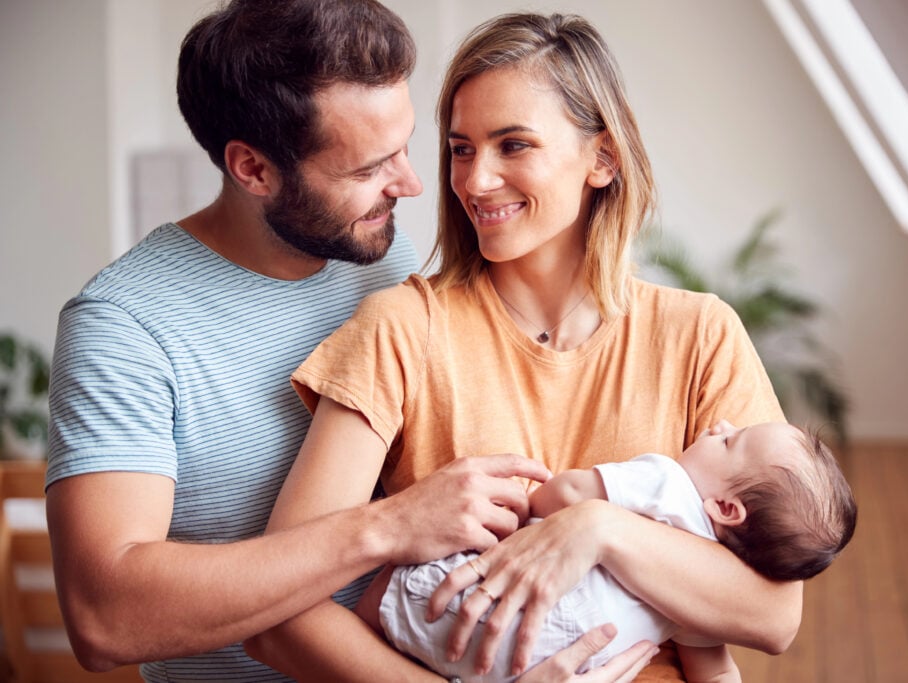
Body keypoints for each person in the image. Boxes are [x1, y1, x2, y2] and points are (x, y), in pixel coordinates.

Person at [45, 2, 648, 682]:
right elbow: (104, 616)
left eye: (407, 147)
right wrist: (388, 525)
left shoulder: (387, 265)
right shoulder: (124, 325)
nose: (413, 184)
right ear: (254, 169)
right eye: (368, 169)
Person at [247, 11, 804, 682]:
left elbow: (774, 614)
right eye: (460, 148)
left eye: (513, 145)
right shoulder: (402, 328)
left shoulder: (700, 335)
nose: (476, 181)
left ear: (602, 158)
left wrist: (597, 529)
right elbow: (275, 607)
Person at [355, 419, 858, 682]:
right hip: (538, 667)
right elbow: (717, 671)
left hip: (484, 608)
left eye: (731, 442)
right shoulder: (697, 592)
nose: (719, 425)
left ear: (726, 507)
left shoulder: (669, 484)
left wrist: (532, 509)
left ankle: (373, 617)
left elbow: (569, 495)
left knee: (400, 582)